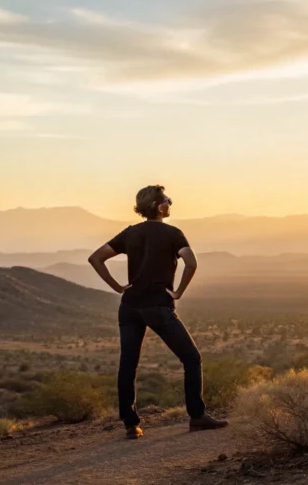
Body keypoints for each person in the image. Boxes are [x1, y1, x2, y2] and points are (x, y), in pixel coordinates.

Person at [88, 185, 228, 439]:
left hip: (129, 306)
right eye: (167, 200)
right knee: (192, 359)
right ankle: (197, 417)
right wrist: (179, 292)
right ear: (158, 206)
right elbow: (191, 262)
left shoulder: (130, 233)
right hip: (158, 306)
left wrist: (118, 287)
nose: (170, 203)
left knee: (128, 365)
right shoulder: (173, 233)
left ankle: (131, 425)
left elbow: (96, 258)